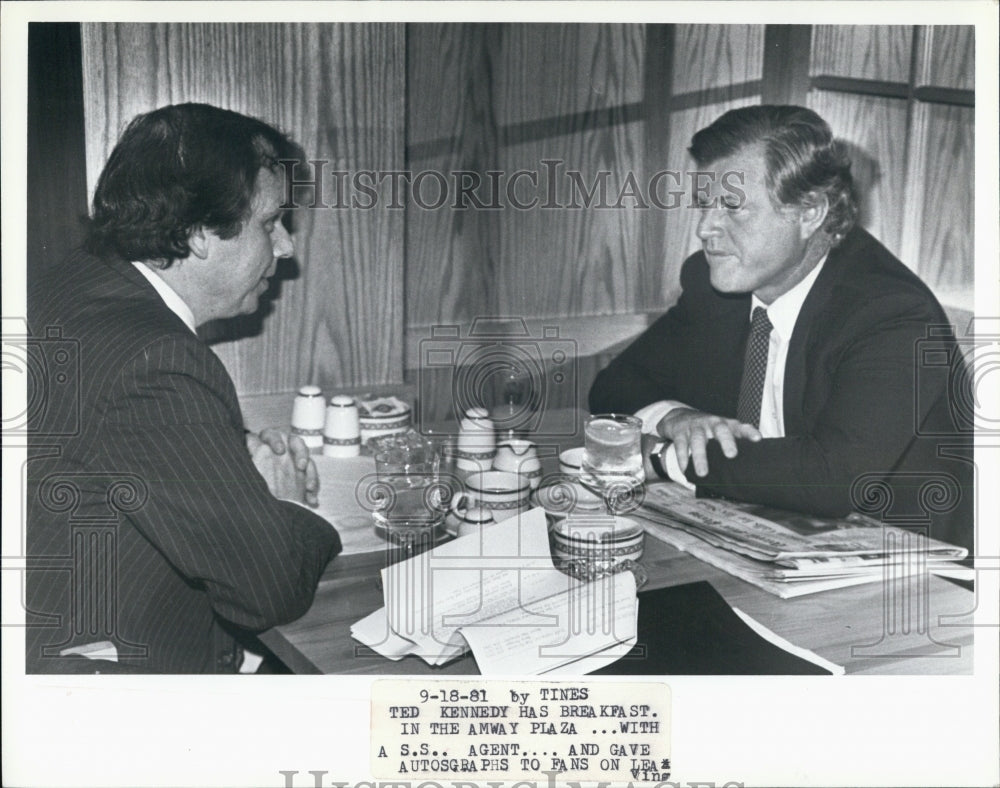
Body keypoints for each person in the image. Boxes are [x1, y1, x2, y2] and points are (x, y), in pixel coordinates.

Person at [26, 103, 342, 673]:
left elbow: (117, 438)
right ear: (199, 233)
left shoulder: (72, 282)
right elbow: (268, 592)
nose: (287, 247)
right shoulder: (158, 360)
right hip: (115, 681)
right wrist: (292, 502)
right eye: (271, 223)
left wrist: (219, 452)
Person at [589, 105, 973, 552]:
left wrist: (666, 458)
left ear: (809, 212)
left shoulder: (891, 311)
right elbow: (615, 385)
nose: (705, 229)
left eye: (732, 207)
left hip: (900, 566)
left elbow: (831, 479)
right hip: (765, 537)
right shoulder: (715, 282)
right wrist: (677, 419)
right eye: (704, 205)